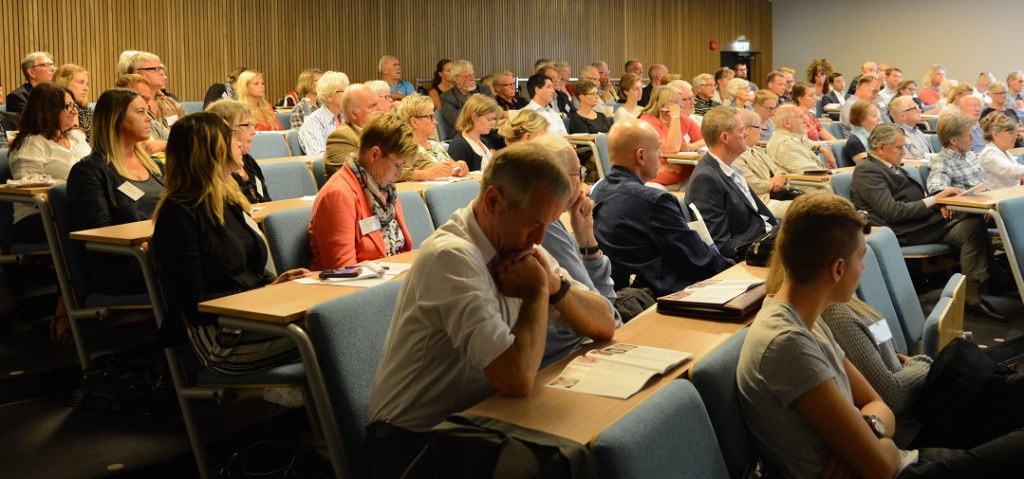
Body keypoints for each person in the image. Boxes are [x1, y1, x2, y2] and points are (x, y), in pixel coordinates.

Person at [737, 193, 1024, 479]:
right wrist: (874, 439)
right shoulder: (788, 343)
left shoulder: (805, 316)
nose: (863, 268)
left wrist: (870, 430)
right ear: (837, 269)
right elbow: (882, 467)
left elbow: (879, 405)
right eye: (861, 258)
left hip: (903, 459)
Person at [367, 141, 606, 478]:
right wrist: (538, 291)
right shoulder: (451, 256)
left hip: (483, 421)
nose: (539, 239)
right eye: (534, 224)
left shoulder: (517, 240)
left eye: (547, 225)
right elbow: (516, 378)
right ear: (494, 201)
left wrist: (555, 285)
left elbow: (605, 323)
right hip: (414, 445)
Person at [152, 112, 308, 376]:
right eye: (230, 137)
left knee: (335, 321)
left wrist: (274, 285)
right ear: (209, 150)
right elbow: (194, 305)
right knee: (332, 332)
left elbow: (247, 272)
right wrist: (262, 294)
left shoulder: (230, 199)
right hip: (220, 338)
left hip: (255, 316)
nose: (238, 142)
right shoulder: (178, 213)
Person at [851, 123, 1006, 320]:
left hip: (920, 223)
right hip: (902, 232)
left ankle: (974, 297)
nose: (904, 151)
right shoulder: (868, 171)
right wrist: (936, 200)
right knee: (970, 214)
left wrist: (938, 202)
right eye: (899, 147)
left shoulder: (892, 166)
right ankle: (998, 278)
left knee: (972, 227)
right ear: (880, 147)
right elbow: (892, 212)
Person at [591, 118, 733, 296]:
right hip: (666, 296)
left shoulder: (597, 191)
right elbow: (700, 260)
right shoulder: (654, 201)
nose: (661, 155)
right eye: (657, 149)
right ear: (641, 156)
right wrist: (737, 272)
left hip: (624, 292)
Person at [531, 135, 619, 366]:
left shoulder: (554, 220)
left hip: (577, 346)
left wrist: (586, 238)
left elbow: (604, 307)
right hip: (563, 358)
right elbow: (610, 318)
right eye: (578, 173)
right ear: (557, 180)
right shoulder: (545, 225)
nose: (583, 182)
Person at [66, 88, 163, 295]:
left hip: (162, 252)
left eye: (148, 112)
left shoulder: (156, 167)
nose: (149, 119)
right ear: (116, 118)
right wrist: (153, 248)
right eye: (140, 112)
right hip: (125, 263)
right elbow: (102, 235)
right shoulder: (89, 172)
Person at [309, 112, 417, 271]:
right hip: (357, 290)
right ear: (375, 154)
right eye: (398, 165)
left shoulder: (386, 190)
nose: (401, 173)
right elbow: (344, 271)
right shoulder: (338, 195)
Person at [685, 106, 776, 260]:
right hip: (750, 254)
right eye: (741, 131)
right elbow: (721, 244)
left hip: (766, 239)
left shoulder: (731, 167)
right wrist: (765, 248)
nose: (746, 134)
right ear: (725, 138)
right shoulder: (706, 179)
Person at [8, 83, 90, 243]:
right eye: (68, 106)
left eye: (74, 105)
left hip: (77, 210)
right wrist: (67, 186)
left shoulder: (76, 137)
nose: (74, 111)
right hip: (38, 219)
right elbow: (28, 190)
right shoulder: (32, 143)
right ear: (48, 109)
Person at [206, 100, 270, 203]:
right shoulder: (220, 171)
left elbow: (267, 202)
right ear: (227, 130)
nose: (253, 131)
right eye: (247, 125)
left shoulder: (249, 162)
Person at [639, 85, 704, 188]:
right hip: (658, 183)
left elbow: (707, 140)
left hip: (686, 178)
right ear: (663, 106)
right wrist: (674, 117)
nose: (681, 106)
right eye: (676, 103)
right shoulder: (647, 123)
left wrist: (693, 146)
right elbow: (672, 148)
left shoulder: (683, 119)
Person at [733, 108, 793, 218]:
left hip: (777, 195)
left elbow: (778, 171)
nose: (761, 132)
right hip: (762, 201)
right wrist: (773, 183)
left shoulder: (757, 150)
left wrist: (780, 177)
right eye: (758, 127)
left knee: (814, 204)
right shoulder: (736, 154)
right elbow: (753, 185)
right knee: (807, 209)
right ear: (746, 129)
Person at [396, 94, 468, 181]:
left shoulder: (435, 145)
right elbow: (397, 173)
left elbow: (453, 166)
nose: (436, 122)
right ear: (414, 122)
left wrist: (460, 166)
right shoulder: (404, 148)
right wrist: (425, 174)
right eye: (430, 117)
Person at [324, 84, 381, 178]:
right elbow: (363, 174)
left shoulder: (381, 131)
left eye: (378, 104)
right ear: (353, 114)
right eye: (372, 106)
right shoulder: (340, 138)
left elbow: (402, 161)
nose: (380, 109)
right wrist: (410, 174)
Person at [123, 51, 189, 126]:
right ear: (138, 74)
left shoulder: (171, 103)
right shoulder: (127, 104)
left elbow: (189, 130)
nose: (161, 73)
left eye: (161, 68)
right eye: (154, 69)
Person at [927, 113, 986, 194]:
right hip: (969, 204)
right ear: (954, 140)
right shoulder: (942, 162)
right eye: (968, 136)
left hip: (986, 198)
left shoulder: (970, 155)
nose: (973, 138)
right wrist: (963, 193)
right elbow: (936, 188)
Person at [767, 105, 836, 173]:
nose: (806, 121)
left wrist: (821, 148)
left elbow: (805, 141)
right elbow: (812, 173)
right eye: (800, 117)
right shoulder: (787, 144)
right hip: (811, 183)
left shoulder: (786, 136)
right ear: (787, 123)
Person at [114, 74, 169, 156]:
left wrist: (164, 145)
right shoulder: (115, 132)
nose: (144, 103)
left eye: (147, 99)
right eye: (139, 97)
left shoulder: (153, 125)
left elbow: (182, 144)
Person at [297, 71, 349, 155]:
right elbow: (318, 156)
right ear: (330, 97)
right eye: (344, 91)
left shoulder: (344, 118)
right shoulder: (314, 121)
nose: (348, 95)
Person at [439, 60, 494, 139]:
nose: (472, 79)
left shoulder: (483, 89)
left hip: (488, 132)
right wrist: (475, 104)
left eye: (473, 75)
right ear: (457, 79)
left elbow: (493, 109)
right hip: (463, 135)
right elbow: (456, 119)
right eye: (468, 76)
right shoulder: (447, 97)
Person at [446, 94, 501, 172]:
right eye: (489, 119)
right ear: (474, 117)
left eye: (494, 119)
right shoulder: (459, 145)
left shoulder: (484, 141)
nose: (493, 123)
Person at [978, 112, 1024, 188]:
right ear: (995, 134)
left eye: (1016, 133)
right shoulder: (988, 154)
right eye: (1011, 133)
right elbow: (1012, 171)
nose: (1015, 137)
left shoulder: (1004, 152)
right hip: (997, 197)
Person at [54, 64, 93, 138]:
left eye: (87, 84)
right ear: (64, 83)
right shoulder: (55, 112)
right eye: (81, 82)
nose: (86, 88)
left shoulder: (87, 111)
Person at [843, 100, 883, 165]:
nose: (879, 119)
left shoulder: (877, 136)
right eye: (875, 116)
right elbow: (869, 165)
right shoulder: (854, 142)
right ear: (862, 121)